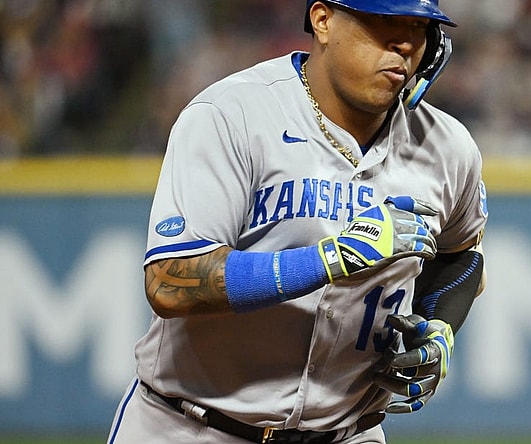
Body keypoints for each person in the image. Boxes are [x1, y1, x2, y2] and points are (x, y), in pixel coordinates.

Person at [107, 1, 488, 443]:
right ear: (323, 20)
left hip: (348, 432)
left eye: (418, 28)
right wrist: (329, 259)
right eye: (383, 22)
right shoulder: (234, 114)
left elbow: (462, 257)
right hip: (193, 425)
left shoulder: (448, 148)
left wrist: (439, 327)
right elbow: (169, 283)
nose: (403, 43)